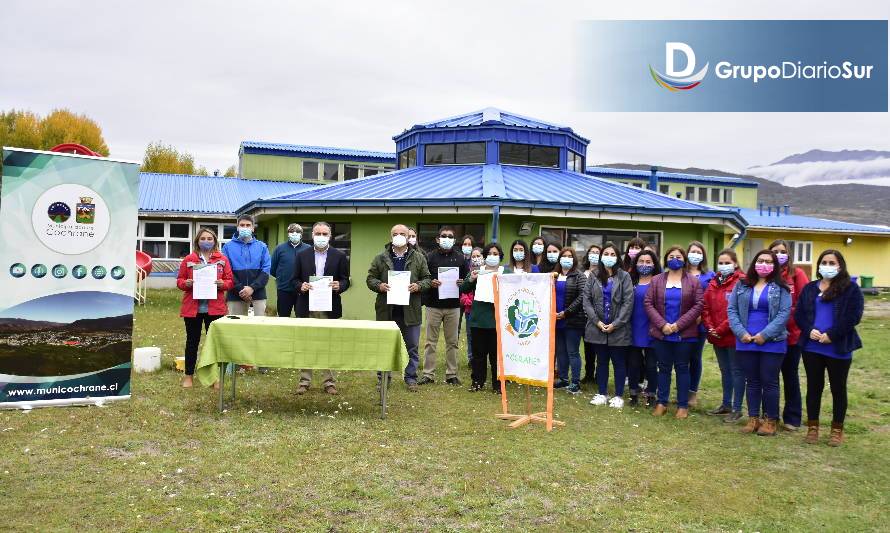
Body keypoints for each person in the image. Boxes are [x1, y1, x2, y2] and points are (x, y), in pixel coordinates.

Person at [796, 249, 863, 447]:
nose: (827, 266)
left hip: (838, 347)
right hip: (812, 347)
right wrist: (809, 330)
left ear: (840, 266)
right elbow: (799, 314)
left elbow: (853, 316)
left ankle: (836, 430)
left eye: (832, 263)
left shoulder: (851, 289)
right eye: (824, 262)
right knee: (813, 387)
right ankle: (813, 428)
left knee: (838, 389)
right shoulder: (809, 288)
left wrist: (832, 335)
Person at [728, 250, 792, 437]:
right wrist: (741, 333)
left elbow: (783, 314)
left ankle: (771, 420)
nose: (764, 264)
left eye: (769, 261)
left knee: (770, 381)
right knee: (752, 381)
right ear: (754, 263)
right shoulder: (741, 285)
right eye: (760, 260)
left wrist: (765, 335)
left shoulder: (782, 288)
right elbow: (731, 310)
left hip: (772, 341)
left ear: (775, 266)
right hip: (746, 340)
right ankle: (753, 418)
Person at [367, 224, 432, 392]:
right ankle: (383, 378)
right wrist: (379, 285)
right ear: (391, 237)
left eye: (402, 233)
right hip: (386, 310)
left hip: (410, 310)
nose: (398, 236)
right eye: (395, 233)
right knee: (384, 345)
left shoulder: (419, 257)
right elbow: (370, 278)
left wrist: (418, 286)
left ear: (408, 236)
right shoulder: (380, 258)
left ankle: (410, 378)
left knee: (411, 346)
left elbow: (427, 279)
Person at [644, 246, 704, 419]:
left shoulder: (693, 281)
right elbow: (648, 303)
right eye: (671, 256)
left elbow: (698, 305)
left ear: (684, 259)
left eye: (678, 256)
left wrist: (678, 325)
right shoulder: (656, 280)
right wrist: (662, 325)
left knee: (682, 368)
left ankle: (682, 405)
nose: (675, 259)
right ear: (666, 259)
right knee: (663, 368)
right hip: (661, 333)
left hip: (684, 334)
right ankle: (661, 402)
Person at [293, 222, 350, 395]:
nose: (321, 236)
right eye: (318, 233)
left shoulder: (339, 256)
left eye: (325, 234)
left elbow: (346, 280)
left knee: (328, 344)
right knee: (306, 343)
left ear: (330, 236)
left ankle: (329, 382)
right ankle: (304, 381)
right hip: (306, 305)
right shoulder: (302, 255)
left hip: (329, 306)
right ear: (312, 235)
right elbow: (293, 280)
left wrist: (339, 285)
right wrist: (300, 286)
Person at [176, 228, 233, 388]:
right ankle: (188, 376)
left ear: (214, 241)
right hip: (192, 309)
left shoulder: (222, 259)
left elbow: (230, 280)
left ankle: (215, 378)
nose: (206, 241)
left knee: (214, 344)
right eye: (203, 238)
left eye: (209, 238)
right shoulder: (189, 258)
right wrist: (185, 283)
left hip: (215, 309)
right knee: (192, 342)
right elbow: (179, 280)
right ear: (197, 241)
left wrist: (224, 284)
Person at [583, 242, 634, 408]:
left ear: (618, 258)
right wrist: (597, 322)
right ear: (601, 256)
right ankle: (602, 393)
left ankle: (618, 395)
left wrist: (616, 324)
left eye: (613, 255)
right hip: (598, 327)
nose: (609, 258)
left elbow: (628, 302)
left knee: (619, 362)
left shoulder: (624, 276)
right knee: (602, 362)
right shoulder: (594, 275)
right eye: (606, 254)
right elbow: (587, 300)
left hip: (618, 328)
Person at [419, 226, 469, 386]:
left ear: (454, 240)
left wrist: (463, 283)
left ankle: (452, 374)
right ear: (437, 239)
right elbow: (424, 279)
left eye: (450, 236)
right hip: (433, 306)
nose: (446, 238)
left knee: (452, 342)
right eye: (443, 236)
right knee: (430, 342)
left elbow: (467, 281)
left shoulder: (461, 258)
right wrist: (431, 283)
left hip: (454, 307)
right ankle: (428, 374)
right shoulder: (430, 257)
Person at [223, 214, 271, 372]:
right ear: (237, 227)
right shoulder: (228, 247)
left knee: (260, 328)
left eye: (247, 225)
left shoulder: (262, 246)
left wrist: (252, 288)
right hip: (235, 293)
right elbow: (227, 271)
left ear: (253, 227)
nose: (244, 228)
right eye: (242, 225)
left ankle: (262, 362)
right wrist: (240, 289)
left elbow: (265, 270)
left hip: (258, 292)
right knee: (237, 328)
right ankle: (237, 363)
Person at [769, 239, 809, 432]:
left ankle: (792, 417)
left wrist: (789, 317)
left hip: (793, 335)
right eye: (775, 251)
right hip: (769, 335)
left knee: (790, 375)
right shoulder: (766, 273)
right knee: (770, 377)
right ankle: (770, 415)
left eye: (782, 251)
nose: (778, 254)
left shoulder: (797, 274)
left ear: (788, 254)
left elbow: (805, 302)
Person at [702, 249, 746, 422]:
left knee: (736, 371)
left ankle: (737, 408)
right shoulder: (714, 281)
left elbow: (738, 311)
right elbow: (705, 306)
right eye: (721, 262)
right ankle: (726, 404)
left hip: (733, 334)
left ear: (735, 263)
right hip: (716, 335)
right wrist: (710, 326)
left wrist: (720, 328)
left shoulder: (741, 281)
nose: (724, 265)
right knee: (725, 370)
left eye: (727, 262)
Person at [461, 243, 511, 393]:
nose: (492, 256)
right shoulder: (478, 271)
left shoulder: (506, 272)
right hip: (478, 320)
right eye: (489, 253)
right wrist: (471, 279)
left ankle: (498, 385)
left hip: (497, 320)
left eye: (495, 254)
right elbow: (463, 288)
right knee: (478, 355)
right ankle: (477, 381)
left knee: (496, 356)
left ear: (500, 256)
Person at [628, 250, 661, 407]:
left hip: (652, 329)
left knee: (651, 364)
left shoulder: (659, 282)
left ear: (654, 264)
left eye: (648, 262)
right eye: (641, 261)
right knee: (633, 364)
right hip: (633, 327)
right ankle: (633, 393)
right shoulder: (630, 281)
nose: (644, 265)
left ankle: (651, 394)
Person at [553, 247, 587, 394]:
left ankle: (575, 382)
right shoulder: (554, 275)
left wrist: (566, 312)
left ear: (574, 259)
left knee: (572, 351)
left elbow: (582, 296)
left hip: (572, 320)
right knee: (561, 351)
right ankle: (563, 378)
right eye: (564, 256)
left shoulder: (579, 276)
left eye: (569, 256)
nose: (566, 258)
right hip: (556, 319)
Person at [685, 240, 714, 408]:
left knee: (695, 358)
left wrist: (700, 316)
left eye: (699, 252)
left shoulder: (709, 276)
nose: (695, 255)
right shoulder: (680, 273)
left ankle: (692, 393)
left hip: (699, 323)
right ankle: (682, 391)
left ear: (703, 256)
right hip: (682, 323)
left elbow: (709, 300)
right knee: (682, 359)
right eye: (692, 251)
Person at [270, 223, 310, 317]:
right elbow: (273, 269)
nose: (294, 233)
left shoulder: (308, 249)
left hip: (302, 290)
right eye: (292, 231)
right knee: (283, 317)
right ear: (288, 234)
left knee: (302, 318)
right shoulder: (280, 248)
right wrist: (282, 278)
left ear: (301, 234)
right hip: (284, 289)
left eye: (297, 232)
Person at [581, 244, 602, 384]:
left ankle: (599, 375)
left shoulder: (603, 274)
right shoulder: (582, 273)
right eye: (592, 252)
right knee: (587, 348)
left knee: (599, 349)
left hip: (598, 317)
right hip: (582, 317)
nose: (594, 254)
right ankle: (588, 374)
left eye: (597, 252)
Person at [459, 235, 476, 364]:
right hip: (457, 298)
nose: (467, 247)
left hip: (471, 302)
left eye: (469, 244)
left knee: (471, 332)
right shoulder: (458, 260)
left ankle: (472, 358)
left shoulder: (476, 262)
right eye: (465, 244)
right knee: (456, 329)